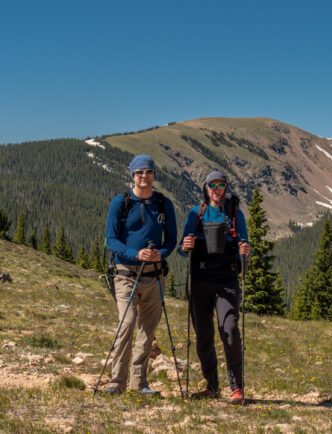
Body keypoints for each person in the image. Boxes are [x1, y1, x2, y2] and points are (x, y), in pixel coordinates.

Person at [102, 154, 177, 395]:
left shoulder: (164, 204)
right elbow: (110, 240)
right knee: (127, 323)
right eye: (139, 172)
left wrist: (160, 254)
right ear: (132, 175)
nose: (144, 176)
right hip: (125, 274)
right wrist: (136, 254)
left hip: (155, 276)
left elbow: (172, 241)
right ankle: (116, 381)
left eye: (148, 172)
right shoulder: (120, 202)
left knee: (148, 330)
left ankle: (139, 383)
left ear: (154, 175)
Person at [179, 170, 250, 404]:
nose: (217, 189)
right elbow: (183, 249)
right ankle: (211, 386)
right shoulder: (196, 213)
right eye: (212, 185)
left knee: (229, 329)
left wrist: (245, 251)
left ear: (226, 188)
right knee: (203, 336)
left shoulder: (234, 213)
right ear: (205, 188)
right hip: (199, 280)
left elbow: (244, 244)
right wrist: (185, 245)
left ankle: (237, 387)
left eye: (221, 185)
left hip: (226, 280)